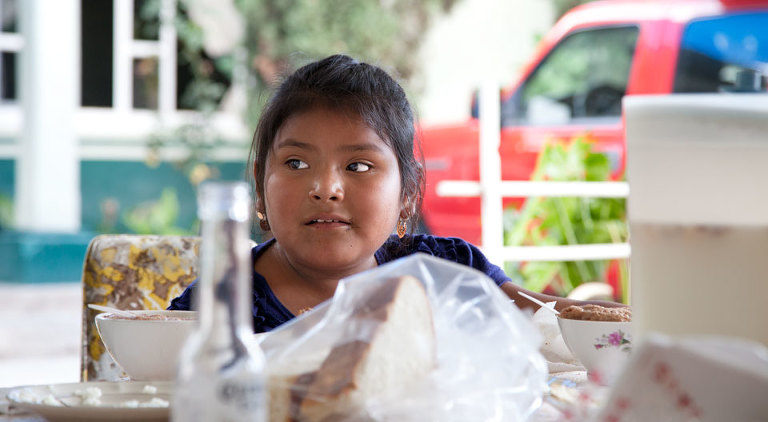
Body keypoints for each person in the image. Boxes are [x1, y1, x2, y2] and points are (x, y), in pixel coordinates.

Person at [169, 54, 623, 332]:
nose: (325, 188)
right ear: (260, 189)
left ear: (407, 195)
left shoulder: (449, 274)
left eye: (359, 166)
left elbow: (560, 323)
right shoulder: (212, 314)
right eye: (296, 163)